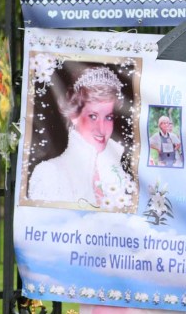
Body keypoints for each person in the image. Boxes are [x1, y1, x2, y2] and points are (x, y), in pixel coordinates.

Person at [27, 66, 135, 209]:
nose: (102, 128)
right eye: (93, 116)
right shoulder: (49, 173)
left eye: (108, 117)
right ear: (74, 116)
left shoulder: (117, 172)